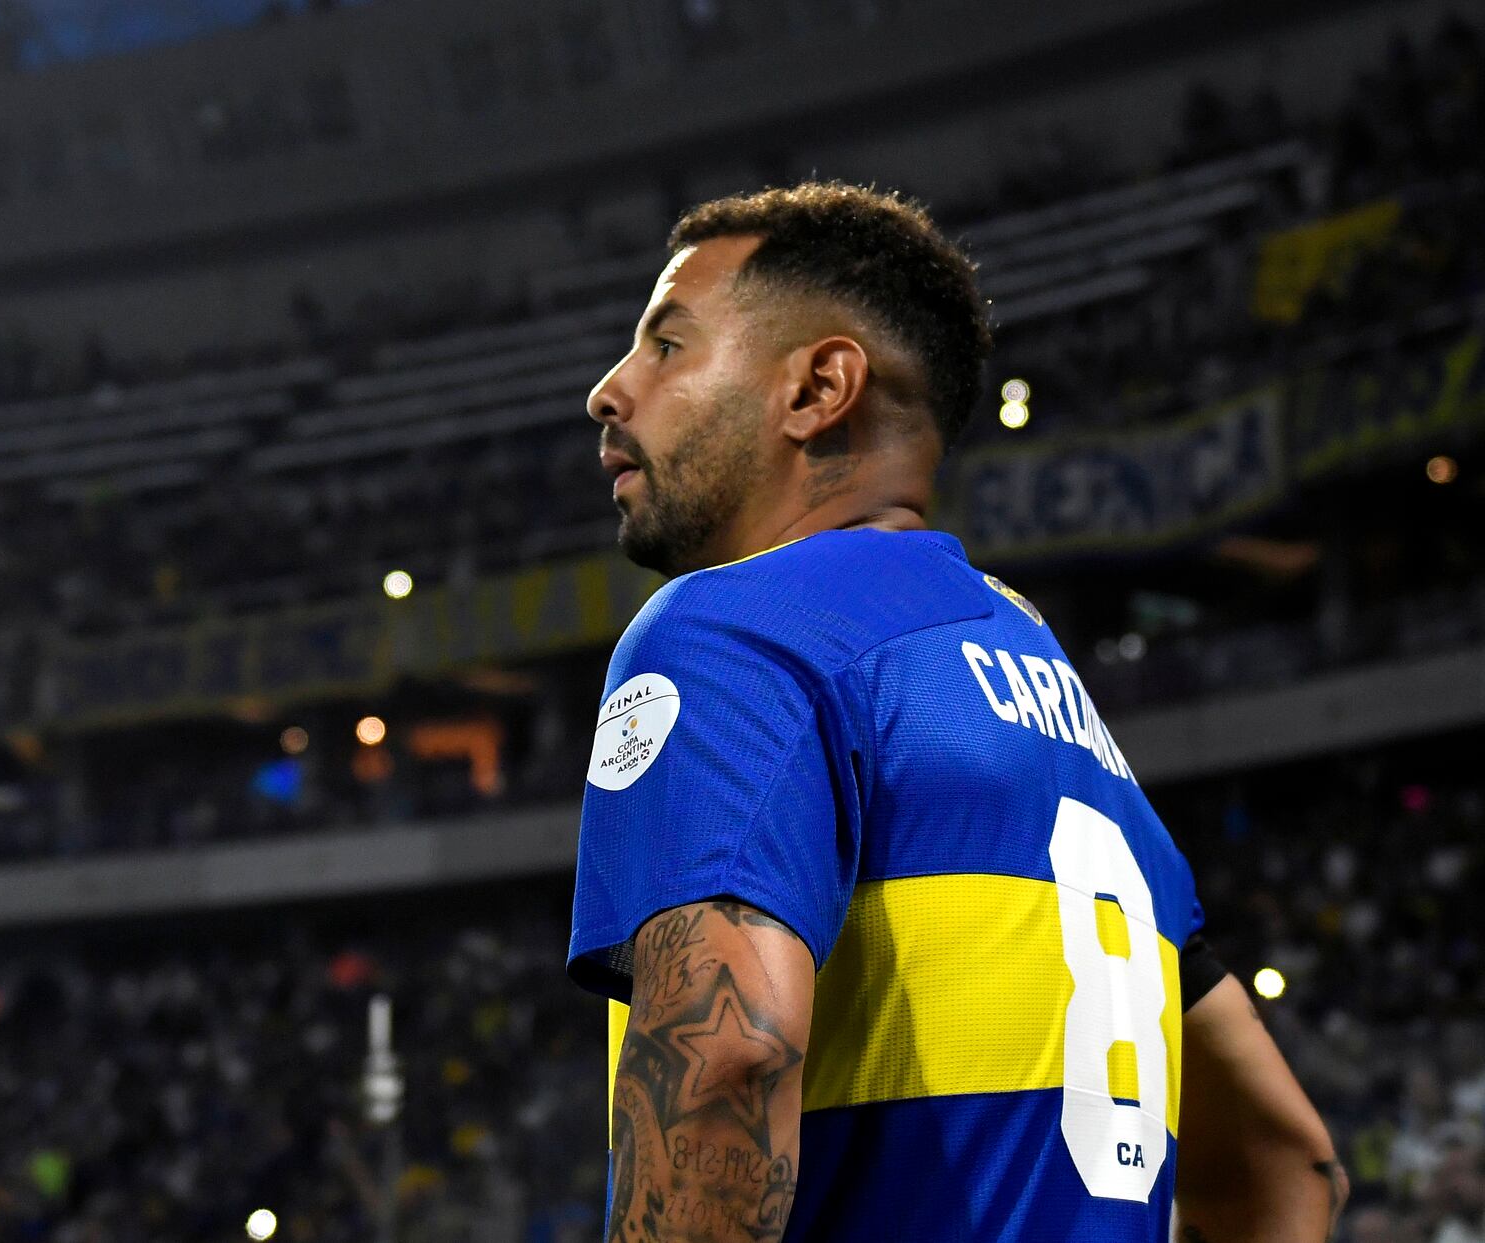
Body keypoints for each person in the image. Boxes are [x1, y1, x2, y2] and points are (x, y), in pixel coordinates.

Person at [565, 181, 1348, 1241]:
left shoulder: (730, 630)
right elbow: (1287, 1169)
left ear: (818, 388)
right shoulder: (1065, 722)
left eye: (665, 345)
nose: (609, 391)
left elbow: (726, 1059)